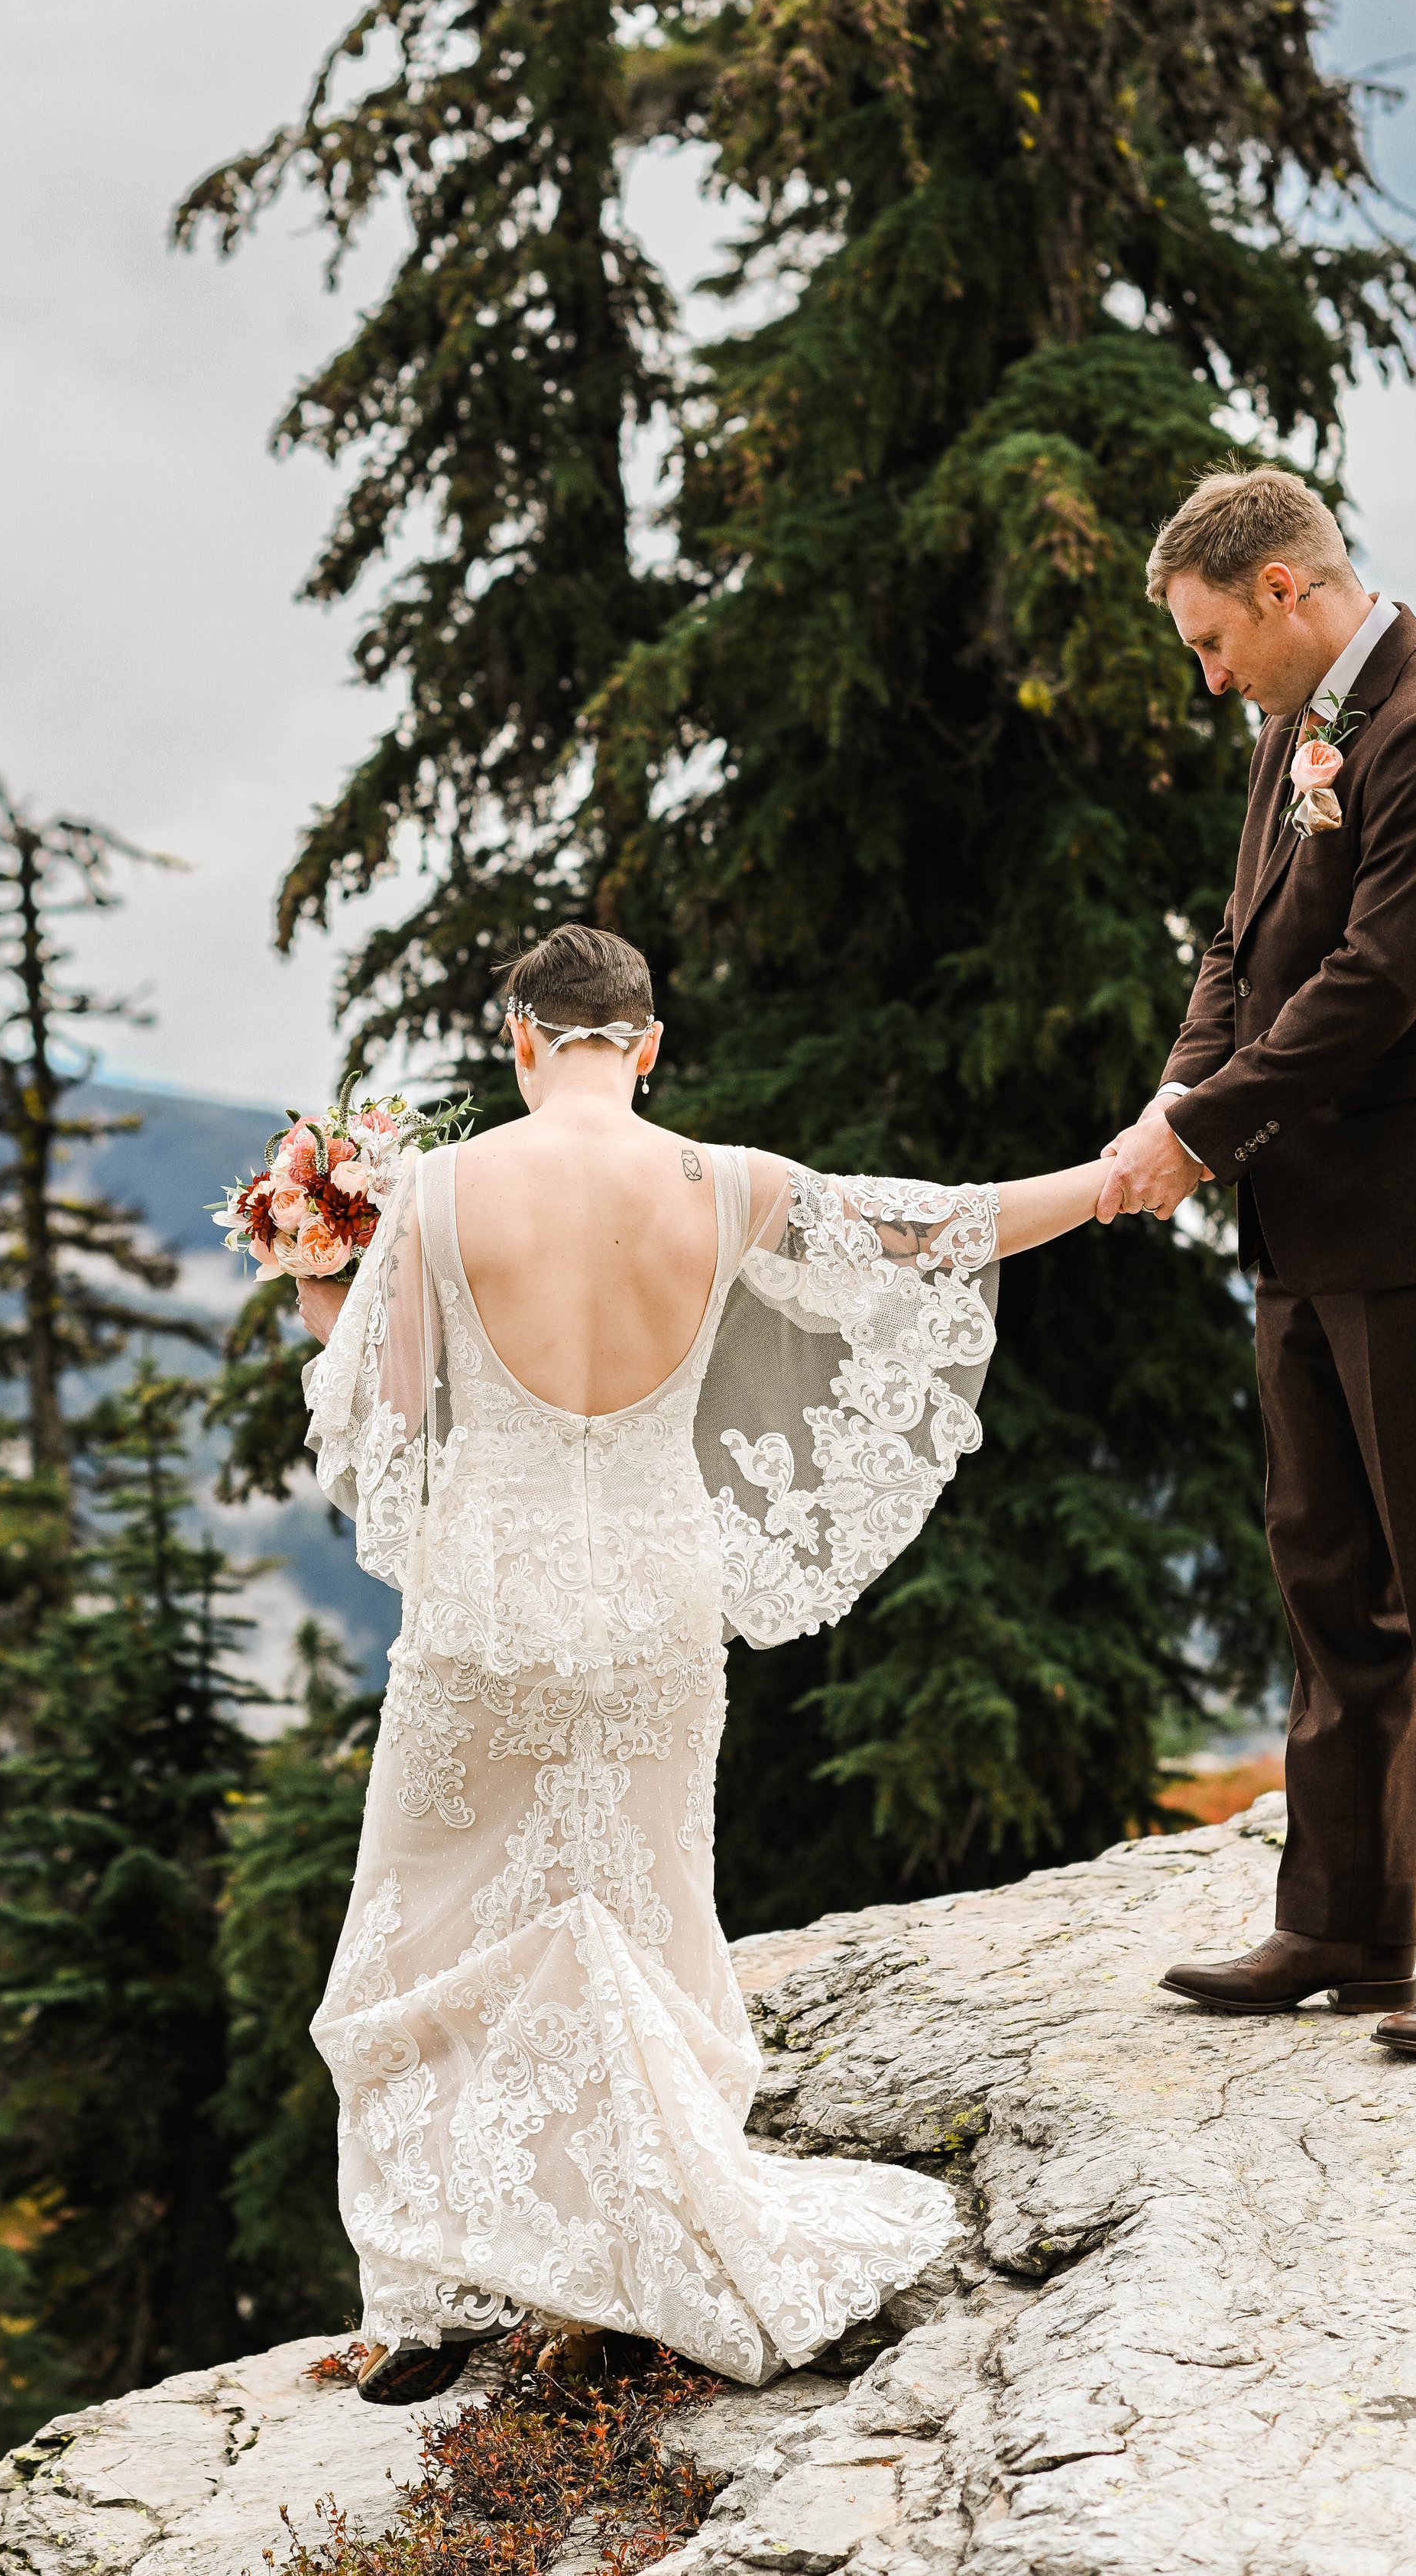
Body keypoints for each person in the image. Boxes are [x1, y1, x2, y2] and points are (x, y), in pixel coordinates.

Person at [286, 924, 1108, 2403]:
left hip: (490, 1596)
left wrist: (311, 1281)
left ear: (519, 1040)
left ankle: (428, 2300)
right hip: (656, 1598)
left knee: (421, 1932)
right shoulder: (730, 1185)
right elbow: (943, 1230)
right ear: (646, 1044)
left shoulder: (439, 1191)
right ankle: (654, 2257)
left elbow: (378, 1415)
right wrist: (1124, 1171)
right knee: (648, 1909)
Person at [1101, 466, 1416, 2061]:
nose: (1204, 674)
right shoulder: (1291, 732)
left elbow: (1370, 988)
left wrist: (1198, 1133)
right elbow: (1237, 948)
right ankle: (1342, 1925)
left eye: (1213, 639)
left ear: (1285, 589)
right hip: (1302, 1218)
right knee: (1325, 1574)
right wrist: (1175, 1098)